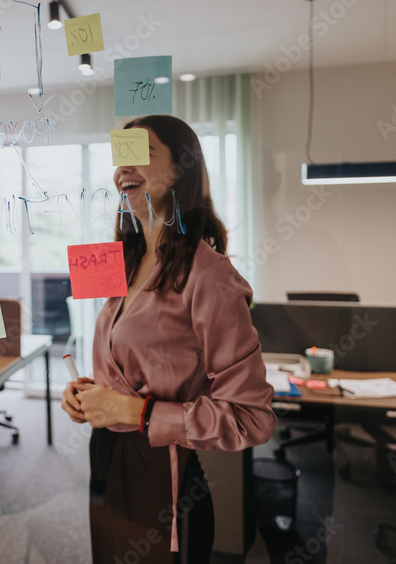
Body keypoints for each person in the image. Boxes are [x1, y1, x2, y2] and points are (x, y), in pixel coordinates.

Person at [61, 115, 276, 563]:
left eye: (141, 154)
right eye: (119, 158)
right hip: (106, 456)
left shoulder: (210, 276)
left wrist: (135, 411)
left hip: (162, 472)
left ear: (180, 169)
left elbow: (251, 418)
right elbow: (122, 366)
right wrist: (90, 396)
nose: (124, 169)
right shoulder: (124, 261)